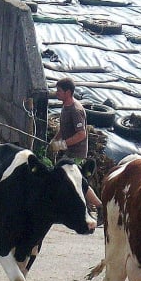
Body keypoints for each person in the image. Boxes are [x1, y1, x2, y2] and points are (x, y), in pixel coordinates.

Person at [48, 77, 103, 210]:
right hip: (69, 151)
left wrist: (61, 145)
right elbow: (63, 128)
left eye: (59, 90)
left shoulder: (75, 110)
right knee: (71, 179)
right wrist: (54, 140)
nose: (57, 93)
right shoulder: (65, 107)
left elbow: (81, 134)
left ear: (68, 92)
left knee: (78, 181)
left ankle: (99, 206)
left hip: (77, 153)